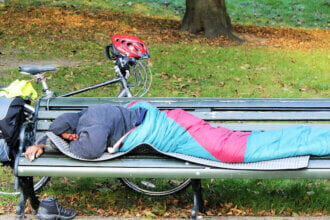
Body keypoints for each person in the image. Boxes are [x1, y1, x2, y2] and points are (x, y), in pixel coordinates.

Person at [25, 101, 330, 163]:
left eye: (68, 136)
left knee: (238, 150)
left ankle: (319, 139)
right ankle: (313, 136)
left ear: (72, 130)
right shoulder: (88, 115)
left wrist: (54, 143)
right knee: (244, 141)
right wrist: (44, 142)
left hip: (176, 132)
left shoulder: (93, 126)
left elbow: (88, 151)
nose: (72, 140)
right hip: (175, 123)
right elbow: (69, 136)